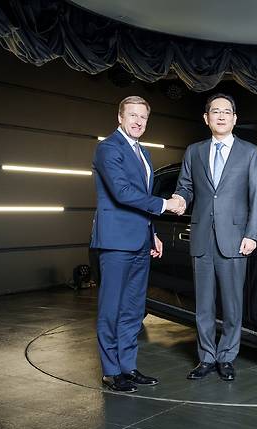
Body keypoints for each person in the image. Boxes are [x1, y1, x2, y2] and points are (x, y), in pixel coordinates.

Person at [91, 96, 183, 392]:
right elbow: (122, 192)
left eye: (143, 117)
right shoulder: (108, 148)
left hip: (141, 241)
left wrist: (152, 232)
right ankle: (111, 371)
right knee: (112, 308)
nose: (138, 121)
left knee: (133, 308)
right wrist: (165, 205)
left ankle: (128, 367)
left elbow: (140, 200)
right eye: (132, 115)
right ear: (120, 117)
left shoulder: (143, 152)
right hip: (116, 242)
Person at [172, 93, 257, 381]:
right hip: (201, 236)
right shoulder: (194, 151)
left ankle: (227, 357)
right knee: (203, 305)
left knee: (233, 304)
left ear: (235, 119)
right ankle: (206, 358)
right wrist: (179, 198)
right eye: (215, 111)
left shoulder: (249, 152)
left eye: (227, 111)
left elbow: (256, 196)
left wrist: (252, 234)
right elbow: (185, 187)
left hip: (235, 238)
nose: (221, 116)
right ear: (206, 118)